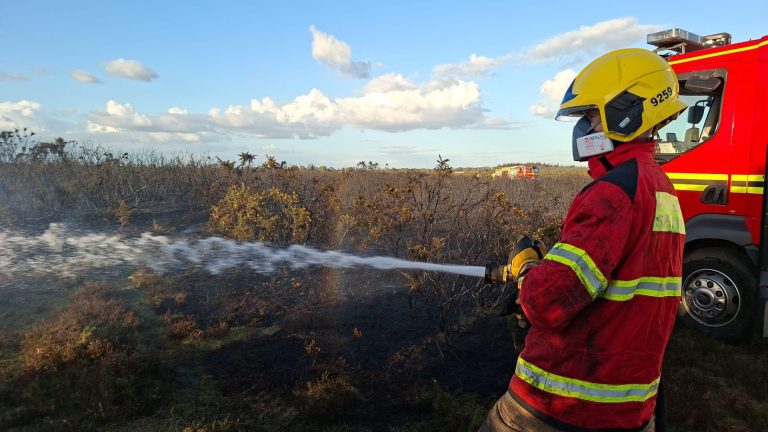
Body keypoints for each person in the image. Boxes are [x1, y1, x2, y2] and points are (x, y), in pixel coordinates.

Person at [479, 48, 687, 432]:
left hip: (562, 403)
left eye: (590, 116)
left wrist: (527, 271)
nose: (584, 129)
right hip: (630, 405)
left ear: (627, 111)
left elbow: (548, 303)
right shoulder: (660, 188)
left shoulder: (613, 192)